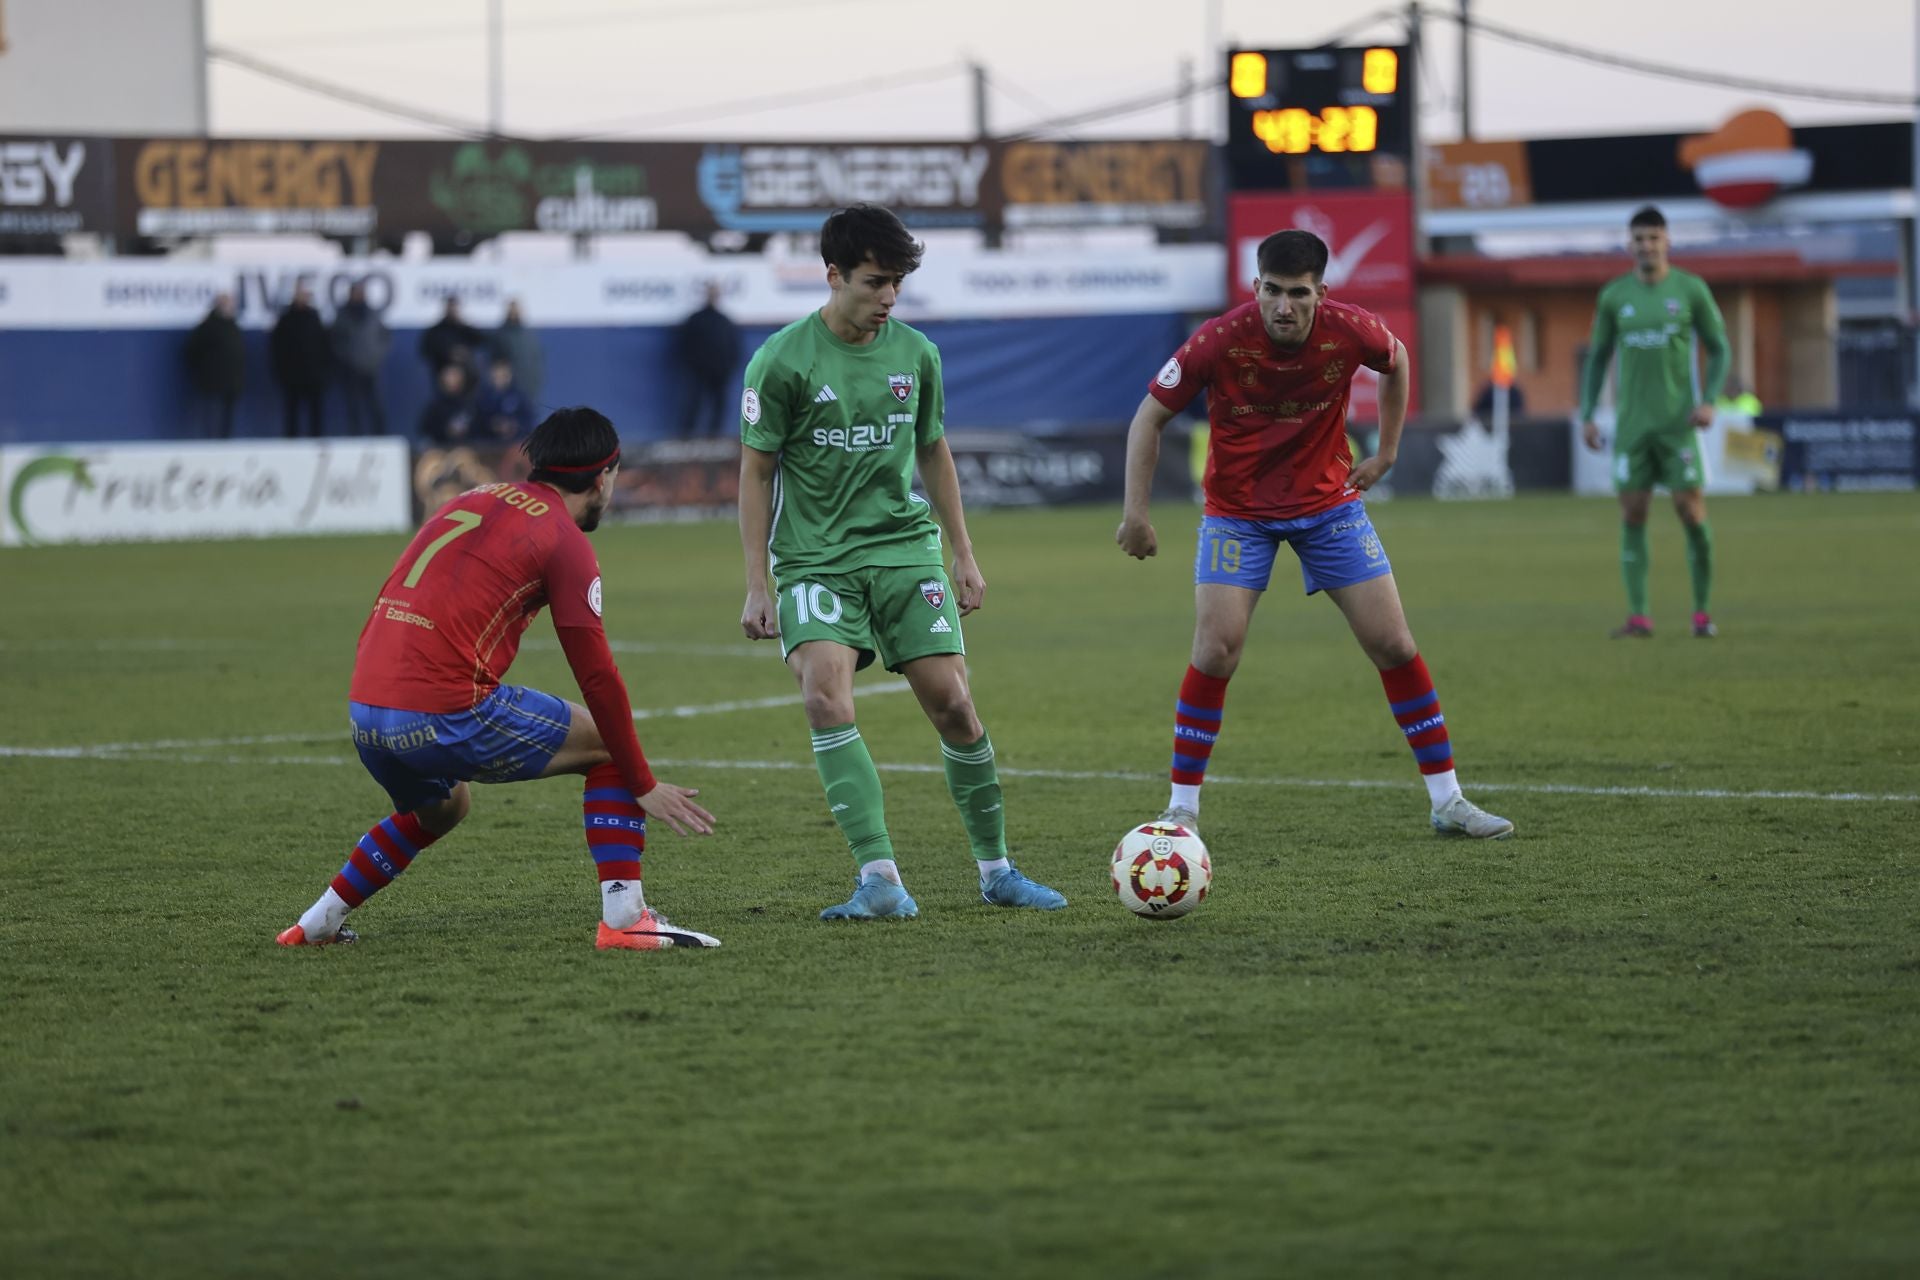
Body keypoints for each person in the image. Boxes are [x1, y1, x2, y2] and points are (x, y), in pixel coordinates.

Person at [1115, 228, 1513, 842]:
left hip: (1329, 506)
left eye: (1298, 294)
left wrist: (1386, 453)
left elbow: (1398, 359)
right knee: (1216, 648)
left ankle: (1448, 801)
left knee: (1394, 645)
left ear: (1320, 293)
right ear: (1256, 287)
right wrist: (1135, 514)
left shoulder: (1351, 329)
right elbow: (1150, 416)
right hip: (1237, 513)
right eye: (1272, 291)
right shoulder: (1219, 340)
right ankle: (1181, 809)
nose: (1283, 306)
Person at [277, 407, 721, 952]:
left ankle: (318, 921)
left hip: (367, 713)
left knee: (443, 807)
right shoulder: (564, 538)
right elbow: (598, 676)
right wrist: (644, 781)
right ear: (604, 477)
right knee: (608, 747)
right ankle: (625, 918)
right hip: (442, 711)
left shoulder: (472, 498)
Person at [737, 203, 1067, 920]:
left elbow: (932, 449)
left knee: (952, 703)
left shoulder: (917, 354)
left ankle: (997, 870)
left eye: (897, 285)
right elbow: (756, 473)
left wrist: (963, 551)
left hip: (901, 549)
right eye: (875, 282)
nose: (889, 298)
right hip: (815, 558)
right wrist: (757, 582)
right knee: (825, 692)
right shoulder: (782, 361)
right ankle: (880, 879)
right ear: (833, 275)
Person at [1579, 205, 1730, 639]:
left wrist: (1710, 400)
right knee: (1634, 512)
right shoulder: (1614, 296)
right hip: (1632, 427)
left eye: (1654, 238)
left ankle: (1702, 612)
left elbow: (1720, 348)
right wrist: (1588, 413)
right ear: (1630, 245)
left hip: (1678, 424)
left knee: (1690, 509)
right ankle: (1639, 616)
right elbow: (1598, 359)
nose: (1646, 246)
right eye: (1639, 239)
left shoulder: (1690, 290)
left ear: (1667, 241)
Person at [677, 282, 743, 439]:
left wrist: (729, 367)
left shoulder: (724, 321)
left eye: (716, 294)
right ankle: (687, 437)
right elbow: (685, 345)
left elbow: (734, 346)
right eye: (711, 293)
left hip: (721, 371)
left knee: (719, 404)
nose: (713, 297)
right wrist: (694, 365)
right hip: (700, 371)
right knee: (695, 403)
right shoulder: (696, 319)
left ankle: (714, 437)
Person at [331, 281, 391, 437]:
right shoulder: (342, 315)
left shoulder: (373, 314)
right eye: (356, 292)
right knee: (353, 406)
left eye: (361, 292)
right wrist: (347, 357)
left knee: (375, 406)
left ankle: (380, 437)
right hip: (350, 369)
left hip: (371, 367)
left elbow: (385, 336)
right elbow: (336, 341)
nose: (359, 295)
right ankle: (355, 438)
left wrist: (376, 355)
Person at [270, 284, 330, 438]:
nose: (302, 299)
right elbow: (277, 348)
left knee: (315, 413)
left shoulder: (314, 318)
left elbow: (324, 346)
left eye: (305, 296)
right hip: (292, 376)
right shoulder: (286, 319)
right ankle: (291, 444)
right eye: (299, 295)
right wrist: (282, 372)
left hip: (313, 375)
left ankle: (316, 441)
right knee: (292, 413)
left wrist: (323, 371)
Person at [183, 292, 245, 439]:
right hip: (212, 381)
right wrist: (206, 371)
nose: (230, 307)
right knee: (213, 417)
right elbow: (193, 351)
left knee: (227, 418)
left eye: (231, 304)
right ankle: (211, 444)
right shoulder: (208, 326)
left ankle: (225, 443)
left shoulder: (233, 325)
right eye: (226, 303)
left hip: (232, 380)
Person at [419, 297, 484, 391]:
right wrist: (448, 354)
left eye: (455, 307)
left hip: (467, 378)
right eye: (450, 307)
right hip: (442, 373)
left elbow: (481, 339)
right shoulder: (436, 331)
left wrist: (464, 353)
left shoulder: (463, 329)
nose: (452, 310)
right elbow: (425, 350)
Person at [490, 299, 546, 405]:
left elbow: (536, 360)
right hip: (508, 388)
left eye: (516, 310)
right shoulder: (500, 335)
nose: (514, 314)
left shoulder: (529, 335)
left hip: (529, 386)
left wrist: (536, 382)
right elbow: (496, 362)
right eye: (511, 311)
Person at [477, 357, 537, 442]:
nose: (500, 379)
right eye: (496, 376)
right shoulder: (483, 398)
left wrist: (513, 425)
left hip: (515, 445)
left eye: (503, 375)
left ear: (510, 375)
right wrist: (492, 425)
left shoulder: (520, 397)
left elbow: (529, 423)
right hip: (489, 446)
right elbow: (477, 424)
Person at [417, 363, 476, 445]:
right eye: (450, 375)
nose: (453, 379)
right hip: (441, 448)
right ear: (443, 378)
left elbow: (479, 427)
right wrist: (447, 430)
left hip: (468, 448)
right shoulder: (436, 405)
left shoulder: (470, 402)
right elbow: (424, 429)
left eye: (456, 375)